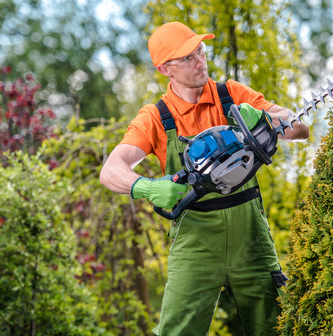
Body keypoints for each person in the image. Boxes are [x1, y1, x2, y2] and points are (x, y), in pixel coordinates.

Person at [100, 21, 309, 336]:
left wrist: (266, 120)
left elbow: (301, 129)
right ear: (164, 69)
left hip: (251, 237)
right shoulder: (156, 116)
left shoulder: (232, 95)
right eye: (186, 58)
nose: (200, 62)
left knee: (275, 328)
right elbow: (111, 169)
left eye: (200, 51)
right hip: (196, 242)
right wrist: (143, 186)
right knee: (175, 331)